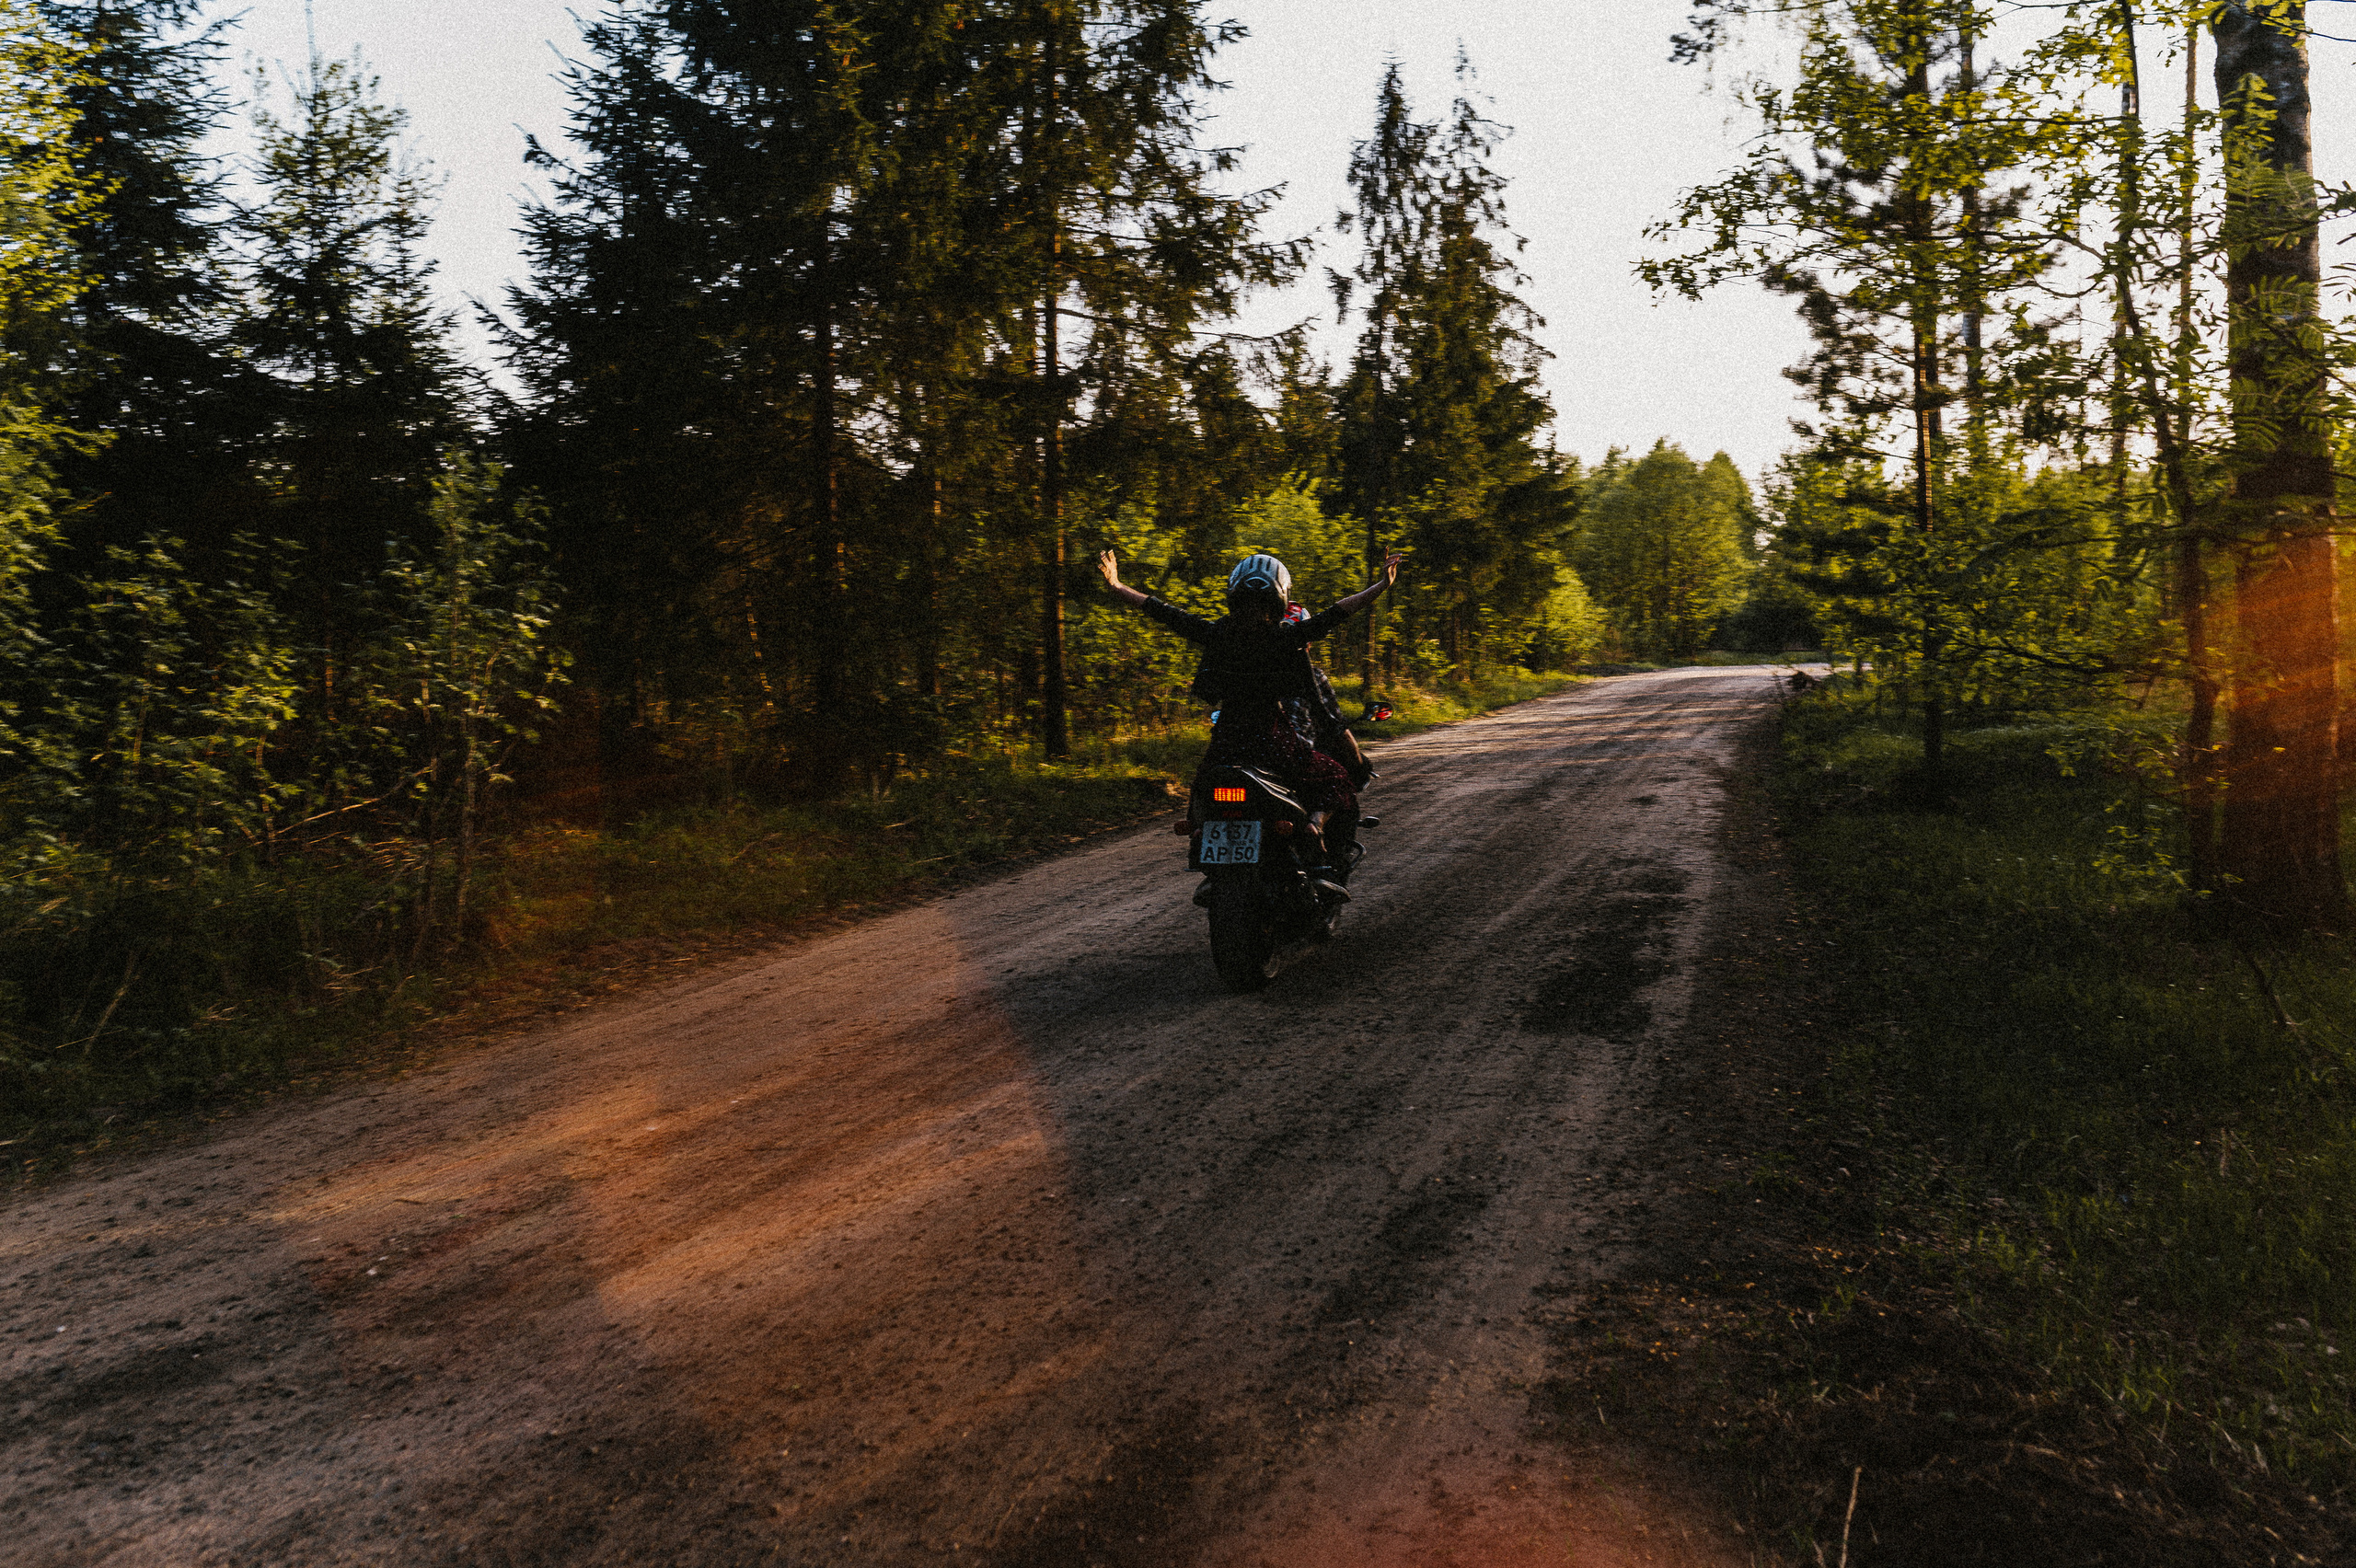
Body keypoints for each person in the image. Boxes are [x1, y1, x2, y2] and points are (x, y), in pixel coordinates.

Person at [1096, 547, 1403, 895]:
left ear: (1233, 594)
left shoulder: (1217, 634)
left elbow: (1164, 612)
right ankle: (1314, 828)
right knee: (1336, 779)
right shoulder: (1287, 638)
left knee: (1204, 787)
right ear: (1280, 598)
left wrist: (1117, 586)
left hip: (1227, 744)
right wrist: (1381, 586)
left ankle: (1199, 834)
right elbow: (1338, 612)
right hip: (1274, 743)